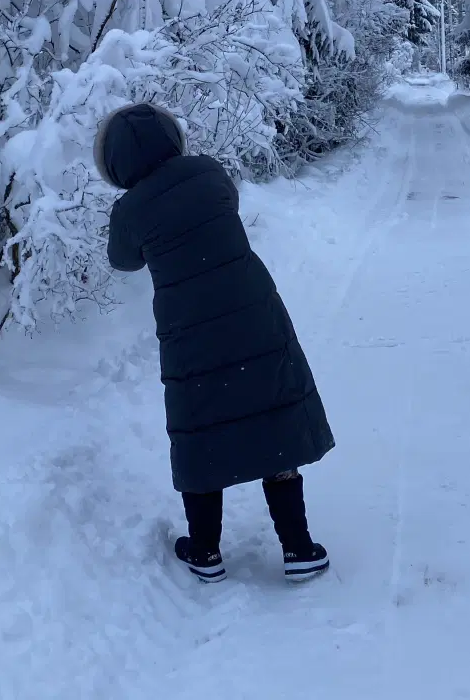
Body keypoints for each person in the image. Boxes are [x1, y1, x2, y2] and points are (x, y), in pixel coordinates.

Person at [95, 101, 334, 583]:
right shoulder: (210, 173)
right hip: (252, 309)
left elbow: (123, 261)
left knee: (198, 425)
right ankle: (299, 547)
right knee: (274, 413)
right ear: (172, 136)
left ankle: (205, 550)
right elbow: (225, 208)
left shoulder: (129, 211)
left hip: (189, 328)